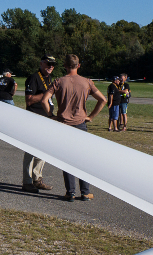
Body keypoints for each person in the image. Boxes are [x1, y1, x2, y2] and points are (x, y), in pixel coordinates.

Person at [48, 54, 107, 201]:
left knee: (67, 159)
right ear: (78, 65)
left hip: (63, 124)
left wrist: (51, 114)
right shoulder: (86, 82)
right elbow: (103, 100)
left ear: (65, 66)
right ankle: (85, 192)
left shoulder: (59, 81)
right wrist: (91, 116)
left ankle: (70, 192)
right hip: (80, 124)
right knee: (83, 159)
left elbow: (44, 99)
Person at [21, 56, 59, 192]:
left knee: (43, 151)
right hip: (34, 118)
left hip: (46, 119)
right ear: (41, 63)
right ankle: (27, 181)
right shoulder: (34, 78)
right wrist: (46, 95)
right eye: (48, 64)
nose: (50, 66)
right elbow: (29, 100)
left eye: (53, 64)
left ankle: (37, 179)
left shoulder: (49, 79)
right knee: (30, 151)